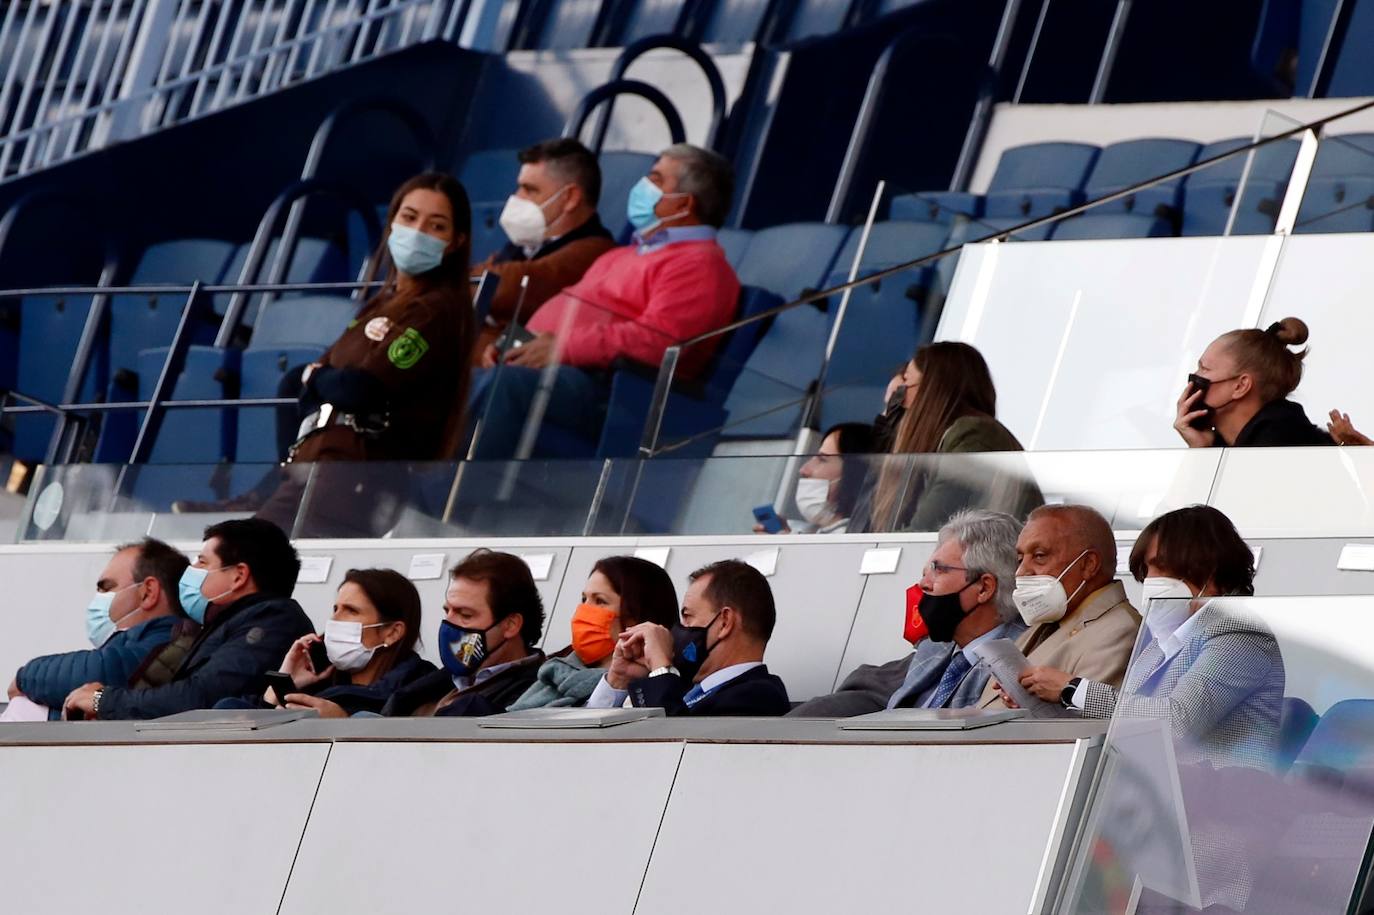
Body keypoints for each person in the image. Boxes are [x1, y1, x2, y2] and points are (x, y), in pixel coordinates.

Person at [180, 172, 477, 534]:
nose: (417, 233)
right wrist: (320, 381)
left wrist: (318, 378)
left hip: (356, 476)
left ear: (456, 241)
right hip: (319, 467)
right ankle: (269, 485)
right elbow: (300, 385)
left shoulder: (437, 310)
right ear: (392, 223)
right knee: (244, 563)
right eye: (410, 218)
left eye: (436, 226)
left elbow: (361, 390)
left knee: (248, 566)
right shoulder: (382, 303)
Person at [469, 143, 740, 458]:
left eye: (656, 179)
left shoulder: (701, 265)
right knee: (466, 379)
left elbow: (659, 342)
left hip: (609, 392)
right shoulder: (624, 254)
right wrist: (514, 346)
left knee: (503, 386)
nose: (643, 186)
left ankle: (444, 494)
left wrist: (562, 347)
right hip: (562, 372)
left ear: (685, 203)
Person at [1020, 506, 1283, 768]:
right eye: (1146, 571)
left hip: (1223, 798)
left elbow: (1177, 724)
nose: (1150, 581)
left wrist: (1072, 690)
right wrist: (1037, 698)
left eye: (1162, 567)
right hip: (1158, 791)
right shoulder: (1164, 640)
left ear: (1208, 569)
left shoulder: (1241, 635)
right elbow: (1126, 715)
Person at [61, 518, 313, 720]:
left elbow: (199, 698)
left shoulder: (273, 620)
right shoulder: (217, 625)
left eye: (202, 562)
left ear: (239, 576)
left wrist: (103, 701)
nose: (192, 571)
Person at [789, 510, 1025, 717]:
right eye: (926, 572)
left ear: (984, 587)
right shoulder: (934, 648)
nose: (923, 584)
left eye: (938, 571)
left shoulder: (1020, 658)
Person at [854, 341, 1041, 533]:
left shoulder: (973, 433)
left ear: (932, 390)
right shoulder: (947, 442)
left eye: (905, 387)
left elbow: (928, 527)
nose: (900, 402)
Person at [7, 539, 190, 719]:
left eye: (106, 588)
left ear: (148, 592)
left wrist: (25, 676)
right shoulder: (141, 643)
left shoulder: (164, 642)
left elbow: (102, 670)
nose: (98, 598)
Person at [982, 504, 1142, 710]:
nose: (1021, 572)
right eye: (1020, 559)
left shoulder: (1120, 631)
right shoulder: (1054, 618)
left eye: (1039, 556)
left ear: (1088, 565)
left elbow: (1084, 730)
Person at [217, 568, 435, 717]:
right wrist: (282, 686)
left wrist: (344, 723)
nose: (334, 620)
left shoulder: (419, 688)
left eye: (351, 611)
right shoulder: (321, 686)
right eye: (335, 609)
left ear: (392, 632)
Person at [588, 559, 789, 716]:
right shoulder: (684, 686)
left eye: (687, 616)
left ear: (725, 622)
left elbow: (669, 743)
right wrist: (619, 680)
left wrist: (661, 667)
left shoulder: (757, 696)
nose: (676, 630)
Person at [472, 138, 616, 353]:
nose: (516, 198)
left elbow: (507, 287)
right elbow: (477, 283)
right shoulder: (524, 246)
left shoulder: (596, 252)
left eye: (529, 190)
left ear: (570, 198)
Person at [381, 549, 546, 717]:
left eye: (465, 615)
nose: (449, 623)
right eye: (448, 611)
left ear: (511, 625)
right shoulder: (440, 682)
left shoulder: (535, 693)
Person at [509, 556, 679, 710]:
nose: (584, 610)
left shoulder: (652, 689)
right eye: (584, 599)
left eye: (600, 601)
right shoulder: (554, 671)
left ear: (637, 618)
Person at [1175, 317, 1332, 447]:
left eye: (1205, 369)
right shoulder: (1245, 447)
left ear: (1241, 386)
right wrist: (1203, 450)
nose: (1195, 377)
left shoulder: (1278, 447)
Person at [754, 422, 874, 534]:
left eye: (822, 459)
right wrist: (784, 536)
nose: (803, 470)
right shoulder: (809, 532)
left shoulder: (858, 541)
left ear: (853, 474)